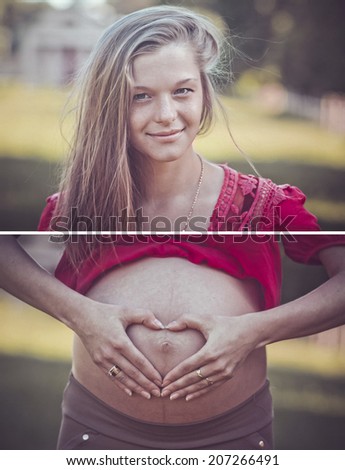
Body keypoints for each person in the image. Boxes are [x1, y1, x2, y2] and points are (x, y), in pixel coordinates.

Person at [1, 5, 345, 450]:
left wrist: (253, 332)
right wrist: (79, 314)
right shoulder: (82, 205)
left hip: (233, 438)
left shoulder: (263, 205)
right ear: (111, 104)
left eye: (182, 91)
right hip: (98, 432)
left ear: (204, 92)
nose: (166, 114)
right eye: (141, 95)